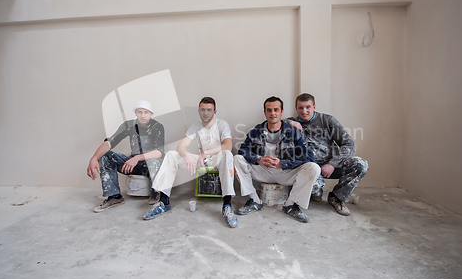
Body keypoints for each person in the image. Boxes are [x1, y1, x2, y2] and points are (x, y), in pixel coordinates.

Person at [142, 97, 238, 228]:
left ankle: (227, 206)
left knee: (227, 154)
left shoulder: (222, 124)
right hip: (201, 161)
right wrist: (186, 154)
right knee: (172, 155)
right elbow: (180, 146)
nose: (205, 113)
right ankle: (164, 202)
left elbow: (228, 145)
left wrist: (205, 153)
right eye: (203, 110)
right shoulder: (195, 126)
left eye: (209, 110)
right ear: (199, 111)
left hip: (217, 159)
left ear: (214, 112)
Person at [234, 96, 320, 223]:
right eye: (269, 110)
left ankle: (291, 205)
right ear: (265, 112)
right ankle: (254, 201)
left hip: (286, 172)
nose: (272, 113)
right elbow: (243, 150)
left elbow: (308, 156)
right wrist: (259, 160)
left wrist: (283, 164)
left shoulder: (293, 132)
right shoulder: (256, 131)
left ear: (282, 112)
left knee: (314, 167)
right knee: (237, 159)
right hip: (263, 171)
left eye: (276, 110)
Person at [288, 93, 369, 216]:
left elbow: (350, 145)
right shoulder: (292, 122)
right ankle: (316, 191)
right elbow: (273, 123)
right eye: (301, 108)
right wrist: (289, 122)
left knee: (360, 165)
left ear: (314, 107)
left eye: (308, 107)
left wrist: (332, 164)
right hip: (309, 167)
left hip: (331, 166)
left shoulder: (327, 121)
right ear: (296, 109)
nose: (304, 111)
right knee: (314, 188)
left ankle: (337, 197)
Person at [87, 101, 165, 212]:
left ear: (151, 114)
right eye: (140, 112)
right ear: (136, 113)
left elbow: (159, 152)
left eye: (146, 112)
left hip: (150, 165)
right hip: (133, 164)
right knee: (106, 155)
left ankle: (155, 192)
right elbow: (109, 142)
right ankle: (114, 197)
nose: (143, 115)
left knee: (153, 160)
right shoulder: (129, 125)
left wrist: (137, 157)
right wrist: (94, 158)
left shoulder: (157, 126)